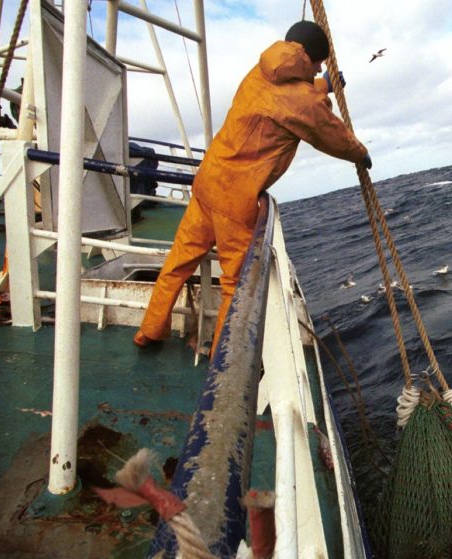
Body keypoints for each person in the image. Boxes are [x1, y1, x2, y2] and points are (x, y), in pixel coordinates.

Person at [134, 20, 371, 355]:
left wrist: (322, 86)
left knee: (177, 265)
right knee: (234, 286)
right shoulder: (303, 101)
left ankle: (149, 332)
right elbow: (326, 130)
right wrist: (361, 153)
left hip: (207, 182)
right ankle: (221, 361)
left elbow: (287, 99)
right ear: (308, 57)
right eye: (319, 63)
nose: (320, 69)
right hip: (235, 200)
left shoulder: (260, 71)